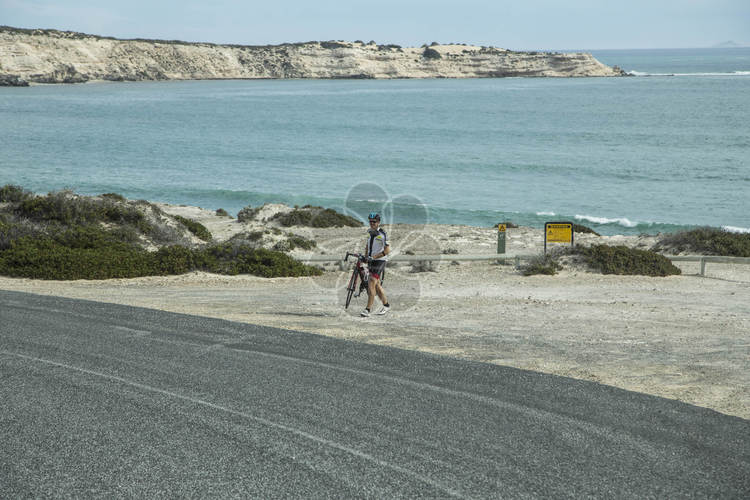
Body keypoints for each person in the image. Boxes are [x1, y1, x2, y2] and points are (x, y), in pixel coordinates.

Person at [361, 212, 390, 317]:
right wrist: (365, 257)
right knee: (377, 285)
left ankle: (367, 309)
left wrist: (375, 257)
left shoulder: (382, 234)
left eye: (374, 222)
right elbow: (367, 246)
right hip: (371, 260)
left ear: (378, 222)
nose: (372, 223)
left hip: (380, 260)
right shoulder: (369, 232)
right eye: (370, 221)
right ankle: (386, 305)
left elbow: (387, 250)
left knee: (372, 282)